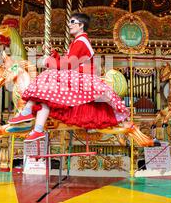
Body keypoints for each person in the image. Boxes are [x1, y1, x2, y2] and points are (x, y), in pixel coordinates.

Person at [10, 12, 129, 141]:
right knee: (45, 95)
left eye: (72, 22)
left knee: (47, 75)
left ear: (81, 25)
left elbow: (68, 64)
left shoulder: (82, 42)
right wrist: (53, 54)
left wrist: (48, 61)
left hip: (83, 77)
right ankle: (37, 129)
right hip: (77, 75)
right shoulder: (77, 41)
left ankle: (27, 112)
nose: (69, 25)